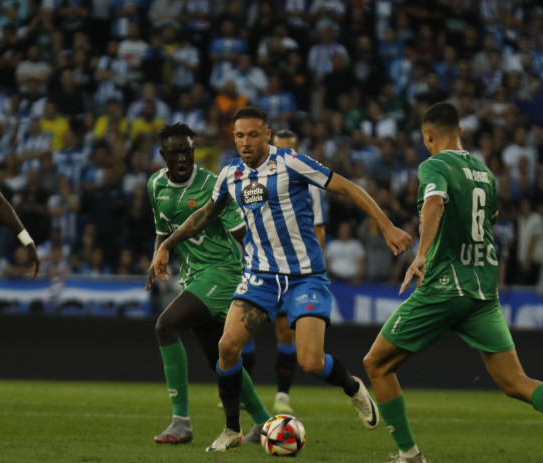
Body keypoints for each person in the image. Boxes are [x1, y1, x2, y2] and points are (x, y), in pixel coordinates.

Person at [150, 107, 412, 452]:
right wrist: (167, 244)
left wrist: (387, 225)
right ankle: (232, 428)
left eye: (253, 135)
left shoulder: (291, 162)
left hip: (305, 277)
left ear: (267, 135)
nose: (245, 142)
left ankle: (352, 387)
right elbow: (204, 214)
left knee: (311, 362)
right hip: (259, 277)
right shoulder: (231, 174)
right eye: (239, 136)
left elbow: (348, 188)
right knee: (226, 349)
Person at [362, 102, 543, 463]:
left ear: (427, 135)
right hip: (482, 290)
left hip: (444, 286)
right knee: (514, 381)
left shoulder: (433, 165)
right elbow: (489, 218)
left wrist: (421, 254)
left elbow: (434, 201)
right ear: (460, 131)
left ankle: (410, 456)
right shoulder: (485, 172)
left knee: (376, 364)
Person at [144, 123, 272, 447]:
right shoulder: (155, 185)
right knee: (220, 358)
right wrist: (158, 254)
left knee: (165, 326)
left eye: (188, 150)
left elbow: (242, 233)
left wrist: (267, 271)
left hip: (223, 271)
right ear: (163, 155)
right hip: (193, 276)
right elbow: (164, 228)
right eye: (175, 152)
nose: (183, 158)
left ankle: (181, 422)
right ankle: (263, 422)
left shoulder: (213, 185)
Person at [238, 128, 328, 414]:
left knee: (284, 333)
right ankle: (245, 390)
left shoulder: (309, 184)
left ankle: (282, 395)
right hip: (261, 270)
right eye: (281, 148)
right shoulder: (248, 180)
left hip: (296, 272)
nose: (287, 154)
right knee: (245, 331)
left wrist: (312, 268)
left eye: (292, 149)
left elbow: (318, 230)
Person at [0, 159, 39, 279]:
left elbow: (13, 210)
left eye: (0, 173)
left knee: (1, 252)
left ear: (4, 175)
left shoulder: (8, 191)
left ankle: (2, 273)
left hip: (3, 226)